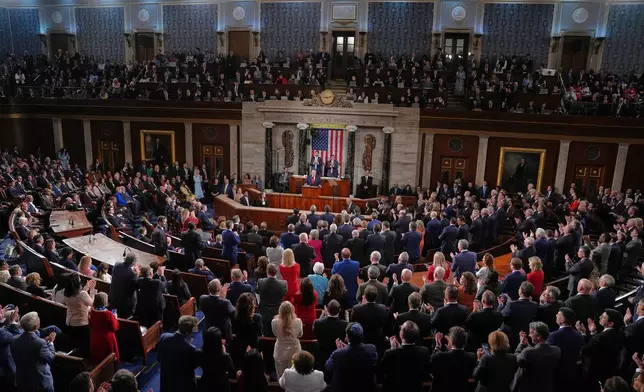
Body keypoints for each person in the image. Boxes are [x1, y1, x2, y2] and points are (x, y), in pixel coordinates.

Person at [577, 309, 626, 388]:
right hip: (614, 370)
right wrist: (593, 332)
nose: (600, 317)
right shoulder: (621, 333)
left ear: (610, 323)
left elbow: (585, 351)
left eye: (603, 317)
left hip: (599, 373)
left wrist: (583, 334)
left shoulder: (598, 338)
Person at [380, 320, 431, 392]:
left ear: (401, 334)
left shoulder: (389, 353)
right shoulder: (424, 351)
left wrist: (392, 349)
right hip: (415, 388)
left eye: (401, 328)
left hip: (394, 388)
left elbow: (381, 371)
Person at [325, 323, 378, 392]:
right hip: (365, 388)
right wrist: (344, 350)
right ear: (362, 336)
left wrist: (340, 350)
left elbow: (328, 367)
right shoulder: (371, 349)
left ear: (347, 337)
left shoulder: (338, 353)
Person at [11, 312, 56, 392]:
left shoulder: (14, 340)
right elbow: (50, 357)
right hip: (40, 382)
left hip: (22, 381)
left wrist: (44, 341)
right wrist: (51, 343)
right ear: (35, 326)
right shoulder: (40, 343)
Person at [511, 321, 561, 392]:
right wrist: (528, 346)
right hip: (547, 388)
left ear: (538, 336)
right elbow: (538, 353)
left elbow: (516, 358)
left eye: (531, 333)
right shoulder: (557, 350)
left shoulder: (528, 352)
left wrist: (521, 344)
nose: (529, 335)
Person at [545, 307, 584, 392]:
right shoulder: (579, 335)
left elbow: (547, 354)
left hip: (557, 374)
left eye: (558, 314)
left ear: (562, 320)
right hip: (574, 374)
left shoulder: (553, 336)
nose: (556, 315)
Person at [158, 315, 200, 392]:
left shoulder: (164, 337)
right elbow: (191, 368)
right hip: (182, 386)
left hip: (166, 382)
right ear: (187, 333)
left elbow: (159, 358)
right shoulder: (190, 349)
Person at [430, 326, 477, 392]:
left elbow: (431, 367)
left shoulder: (439, 356)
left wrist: (437, 346)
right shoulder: (472, 356)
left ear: (451, 341)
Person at [63, 273, 96, 356]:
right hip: (81, 323)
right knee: (83, 345)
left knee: (74, 343)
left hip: (70, 322)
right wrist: (92, 291)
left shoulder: (66, 292)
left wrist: (86, 288)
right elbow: (92, 304)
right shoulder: (82, 294)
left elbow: (78, 300)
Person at [499, 281, 538, 349]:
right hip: (527, 336)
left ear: (521, 291)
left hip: (511, 337)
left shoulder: (511, 304)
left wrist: (501, 305)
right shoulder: (535, 305)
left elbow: (501, 316)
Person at [230, 293, 263, 368]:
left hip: (237, 349)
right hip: (253, 350)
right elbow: (260, 335)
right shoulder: (257, 318)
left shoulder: (234, 316)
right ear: (252, 307)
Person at [313, 300, 348, 369]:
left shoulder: (318, 323)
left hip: (321, 358)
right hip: (337, 358)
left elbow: (315, 332)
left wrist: (322, 316)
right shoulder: (345, 324)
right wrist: (347, 318)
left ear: (327, 309)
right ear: (339, 310)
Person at [198, 327, 235, 392]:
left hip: (205, 384)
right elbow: (231, 371)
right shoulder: (225, 356)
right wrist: (224, 352)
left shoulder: (200, 353)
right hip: (221, 386)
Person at [272, 301, 303, 378]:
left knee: (281, 377)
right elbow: (300, 335)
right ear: (293, 310)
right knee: (294, 376)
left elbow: (275, 334)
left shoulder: (274, 322)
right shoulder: (298, 321)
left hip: (280, 352)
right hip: (294, 351)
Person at [89, 292, 120, 364]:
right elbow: (115, 327)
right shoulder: (108, 314)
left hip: (95, 337)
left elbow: (91, 323)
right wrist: (115, 317)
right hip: (107, 339)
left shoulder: (92, 311)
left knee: (98, 357)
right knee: (109, 358)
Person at [257, 263, 287, 336]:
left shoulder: (260, 282)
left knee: (266, 334)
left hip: (264, 314)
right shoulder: (283, 283)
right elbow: (284, 294)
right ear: (276, 272)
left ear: (267, 272)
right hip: (277, 314)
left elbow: (258, 294)